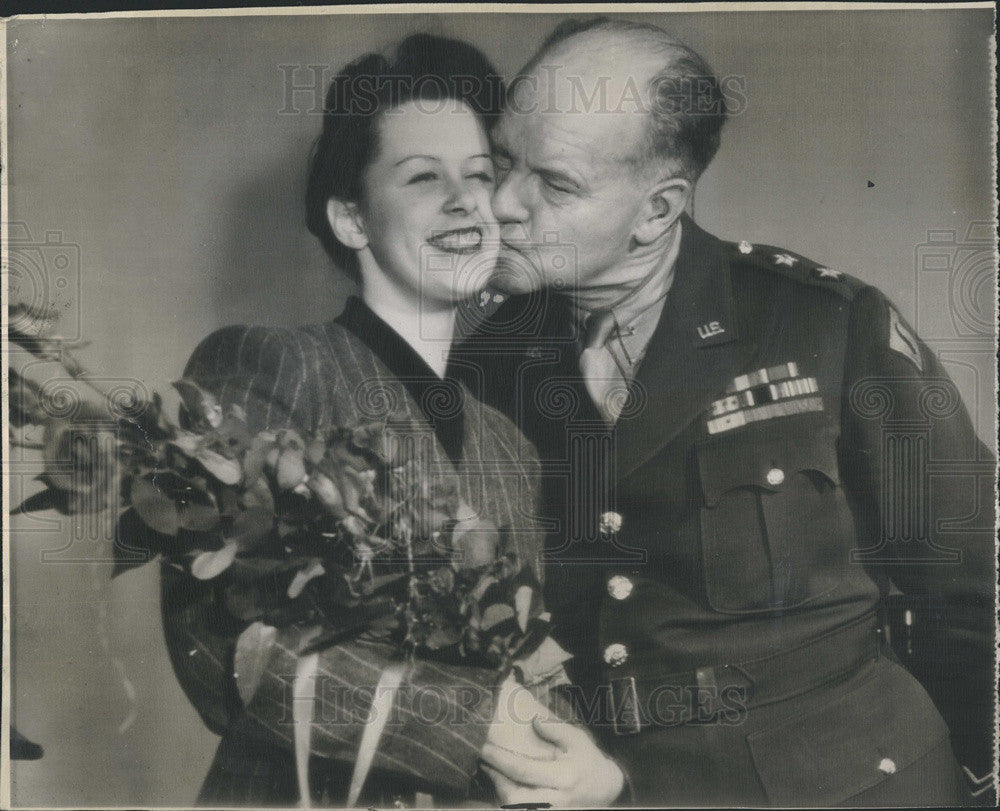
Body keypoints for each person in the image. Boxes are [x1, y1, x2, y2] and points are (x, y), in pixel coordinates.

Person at [454, 16, 996, 807]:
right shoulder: (483, 367)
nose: (501, 203)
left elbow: (975, 588)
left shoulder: (824, 325)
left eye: (556, 183)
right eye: (501, 158)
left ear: (658, 208)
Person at [157, 33, 590, 806]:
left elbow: (524, 656)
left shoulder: (511, 444)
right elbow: (223, 644)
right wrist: (474, 722)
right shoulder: (267, 363)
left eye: (481, 176)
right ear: (352, 218)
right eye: (423, 177)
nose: (465, 201)